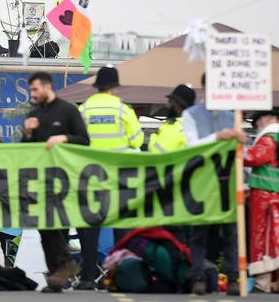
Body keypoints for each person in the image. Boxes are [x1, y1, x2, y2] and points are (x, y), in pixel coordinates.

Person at [21, 72, 90, 293]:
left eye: (35, 90)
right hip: (41, 179)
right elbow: (26, 150)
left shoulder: (69, 110)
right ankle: (57, 275)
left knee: (55, 225)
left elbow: (84, 140)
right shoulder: (34, 113)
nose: (32, 95)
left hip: (66, 179)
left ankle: (63, 268)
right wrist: (28, 133)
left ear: (48, 86)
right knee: (44, 227)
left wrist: (64, 138)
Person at [76, 64, 143, 290]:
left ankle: (87, 278)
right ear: (114, 86)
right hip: (118, 178)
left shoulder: (84, 109)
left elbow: (76, 141)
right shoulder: (123, 110)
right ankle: (121, 277)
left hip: (91, 178)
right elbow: (137, 141)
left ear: (97, 86)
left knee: (89, 231)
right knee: (121, 231)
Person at [181, 72, 244, 296]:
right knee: (199, 232)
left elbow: (241, 154)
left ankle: (234, 277)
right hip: (203, 182)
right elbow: (191, 147)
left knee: (232, 233)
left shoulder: (234, 117)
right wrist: (217, 138)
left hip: (228, 183)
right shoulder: (191, 115)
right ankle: (198, 276)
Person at [147, 84, 196, 245]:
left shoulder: (174, 127)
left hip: (171, 190)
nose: (169, 105)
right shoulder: (195, 125)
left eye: (171, 102)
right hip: (191, 191)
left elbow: (156, 151)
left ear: (178, 105)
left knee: (173, 237)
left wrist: (154, 138)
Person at [245, 108, 279, 293]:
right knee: (274, 238)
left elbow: (256, 157)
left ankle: (263, 283)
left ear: (264, 119)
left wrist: (237, 151)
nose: (256, 127)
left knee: (263, 238)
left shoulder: (269, 137)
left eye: (256, 122)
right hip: (273, 193)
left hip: (265, 196)